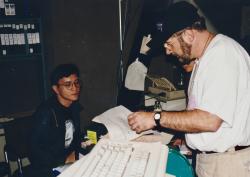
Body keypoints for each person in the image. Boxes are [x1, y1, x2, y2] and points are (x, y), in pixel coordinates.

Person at [128, 1, 250, 177]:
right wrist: (188, 139)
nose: (168, 52)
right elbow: (202, 115)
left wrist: (155, 118)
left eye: (169, 44)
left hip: (227, 165)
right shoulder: (204, 59)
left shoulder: (222, 54)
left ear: (188, 35)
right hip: (214, 161)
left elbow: (210, 120)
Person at [29, 63, 83, 177]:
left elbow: (74, 138)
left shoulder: (74, 106)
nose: (75, 88)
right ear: (56, 89)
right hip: (47, 168)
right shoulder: (45, 112)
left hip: (68, 163)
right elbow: (34, 152)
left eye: (76, 82)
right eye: (68, 84)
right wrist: (64, 159)